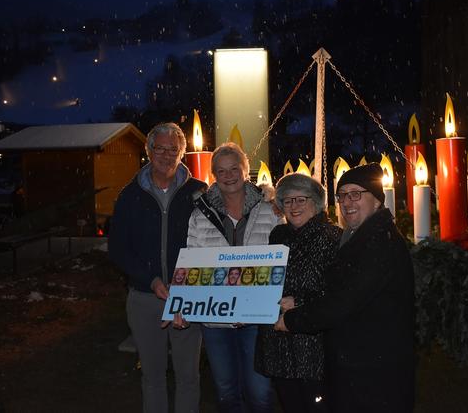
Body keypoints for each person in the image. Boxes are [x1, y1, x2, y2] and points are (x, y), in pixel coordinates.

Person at [274, 163, 416, 413]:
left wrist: (293, 320)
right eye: (342, 196)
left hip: (373, 367)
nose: (347, 202)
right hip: (362, 361)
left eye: (356, 194)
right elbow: (338, 290)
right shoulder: (359, 236)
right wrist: (298, 302)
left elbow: (344, 301)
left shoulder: (379, 243)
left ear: (377, 200)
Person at [109, 122, 207, 413]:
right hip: (144, 298)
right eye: (159, 148)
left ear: (182, 153)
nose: (166, 155)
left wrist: (186, 287)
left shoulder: (198, 192)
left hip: (187, 298)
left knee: (188, 376)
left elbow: (214, 241)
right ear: (148, 150)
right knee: (152, 376)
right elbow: (118, 249)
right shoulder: (130, 195)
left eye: (173, 150)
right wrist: (150, 279)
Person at [186, 142, 283, 413]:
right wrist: (185, 302)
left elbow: (284, 258)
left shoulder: (271, 210)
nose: (229, 176)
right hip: (216, 320)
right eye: (221, 170)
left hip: (257, 317)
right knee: (227, 394)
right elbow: (193, 261)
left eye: (234, 169)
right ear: (214, 174)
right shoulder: (200, 214)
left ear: (245, 170)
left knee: (260, 393)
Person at [255, 173, 342, 413]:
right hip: (278, 342)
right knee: (289, 404)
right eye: (287, 201)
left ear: (316, 202)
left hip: (311, 345)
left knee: (316, 406)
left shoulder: (332, 237)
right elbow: (267, 279)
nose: (293, 207)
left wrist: (300, 301)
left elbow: (339, 292)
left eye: (301, 200)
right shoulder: (278, 235)